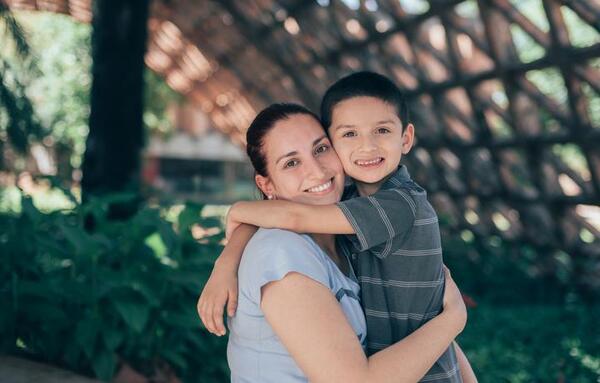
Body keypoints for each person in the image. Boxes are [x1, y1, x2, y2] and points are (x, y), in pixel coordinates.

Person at [200, 72, 477, 382]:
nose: (317, 171)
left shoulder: (367, 212)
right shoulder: (282, 253)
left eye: (320, 149)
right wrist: (228, 256)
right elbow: (285, 217)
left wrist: (239, 216)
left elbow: (423, 309)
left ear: (406, 137)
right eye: (291, 163)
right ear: (266, 185)